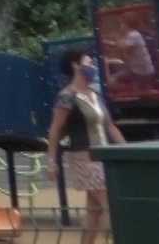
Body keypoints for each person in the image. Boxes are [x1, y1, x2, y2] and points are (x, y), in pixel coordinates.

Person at [47, 48, 124, 244]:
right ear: (75, 65)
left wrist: (126, 149)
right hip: (84, 158)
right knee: (112, 205)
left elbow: (110, 126)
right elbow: (55, 130)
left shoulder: (95, 94)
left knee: (94, 211)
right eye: (88, 63)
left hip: (103, 155)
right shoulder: (67, 96)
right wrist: (51, 161)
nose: (92, 67)